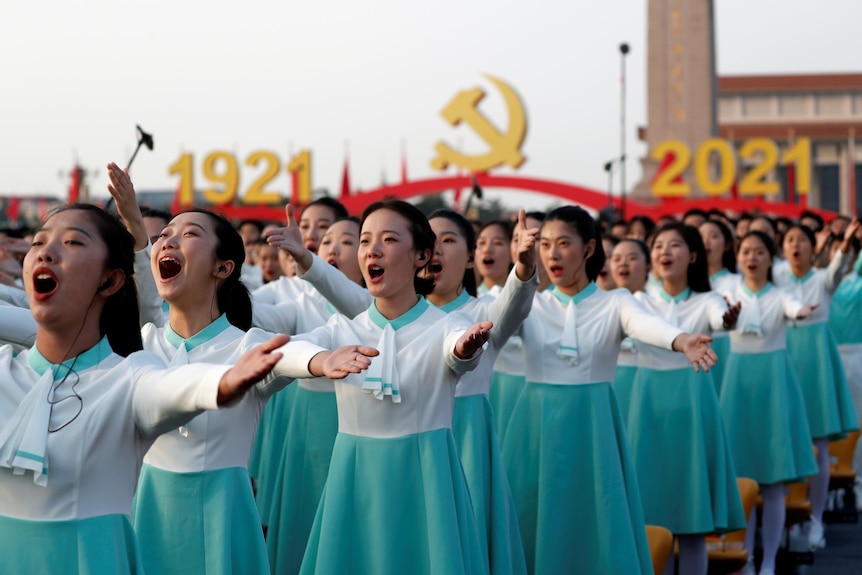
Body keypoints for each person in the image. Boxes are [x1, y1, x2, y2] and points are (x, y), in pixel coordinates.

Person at [106, 166, 375, 575]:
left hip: (221, 513)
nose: (169, 240)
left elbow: (285, 354)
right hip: (148, 508)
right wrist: (137, 230)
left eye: (189, 233)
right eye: (164, 236)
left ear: (224, 267)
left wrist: (321, 361)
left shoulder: (245, 345)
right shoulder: (146, 343)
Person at [0, 203, 290, 574]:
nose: (46, 251)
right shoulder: (8, 369)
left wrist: (224, 380)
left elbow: (169, 387)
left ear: (111, 280)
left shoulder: (129, 376)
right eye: (39, 242)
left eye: (72, 242)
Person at [276, 200, 493, 575]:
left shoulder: (446, 324)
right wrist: (321, 362)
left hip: (427, 476)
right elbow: (286, 352)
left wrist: (464, 348)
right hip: (355, 473)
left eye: (389, 239)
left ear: (421, 255)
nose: (372, 250)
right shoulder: (343, 329)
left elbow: (457, 348)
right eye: (365, 241)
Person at [501, 205, 717, 575]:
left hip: (592, 424)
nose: (552, 254)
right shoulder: (529, 301)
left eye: (564, 243)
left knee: (596, 525)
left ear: (588, 249)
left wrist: (681, 340)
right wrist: (521, 271)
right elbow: (500, 317)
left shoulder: (615, 301)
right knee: (528, 523)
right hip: (534, 425)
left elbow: (643, 323)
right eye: (546, 244)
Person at [627, 224, 744, 575]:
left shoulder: (707, 299)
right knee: (645, 517)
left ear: (692, 255)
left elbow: (718, 319)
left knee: (694, 523)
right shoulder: (638, 300)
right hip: (647, 406)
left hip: (694, 406)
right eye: (658, 245)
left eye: (674, 245)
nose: (664, 252)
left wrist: (726, 320)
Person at [719, 231, 818, 575]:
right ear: (738, 255)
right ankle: (743, 557)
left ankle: (770, 561)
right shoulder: (728, 292)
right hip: (737, 384)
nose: (752, 257)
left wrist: (801, 311)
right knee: (740, 478)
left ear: (769, 258)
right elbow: (717, 315)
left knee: (774, 482)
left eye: (760, 252)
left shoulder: (781, 294)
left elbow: (792, 307)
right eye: (746, 251)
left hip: (774, 383)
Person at [775, 219, 860, 548]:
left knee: (820, 446)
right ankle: (788, 518)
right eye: (789, 240)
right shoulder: (779, 277)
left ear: (814, 248)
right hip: (784, 359)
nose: (795, 246)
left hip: (817, 363)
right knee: (784, 443)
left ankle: (816, 519)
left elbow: (838, 267)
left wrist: (840, 246)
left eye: (802, 240)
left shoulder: (824, 280)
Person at [608, 238, 651, 419]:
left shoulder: (658, 305)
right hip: (610, 388)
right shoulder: (600, 304)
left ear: (649, 264)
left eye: (632, 258)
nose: (623, 263)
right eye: (616, 258)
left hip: (647, 389)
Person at [699, 218, 740, 393]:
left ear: (727, 245)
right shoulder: (687, 285)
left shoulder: (739, 281)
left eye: (713, 236)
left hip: (728, 351)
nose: (706, 241)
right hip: (696, 353)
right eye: (701, 237)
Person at [475, 220, 513, 295]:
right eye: (482, 242)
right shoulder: (467, 302)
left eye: (497, 243)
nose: (487, 249)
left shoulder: (527, 300)